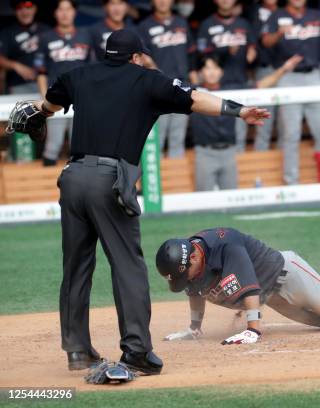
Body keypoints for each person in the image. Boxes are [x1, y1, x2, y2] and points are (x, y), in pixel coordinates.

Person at [21, 29, 270, 374]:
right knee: (128, 267)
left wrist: (43, 112)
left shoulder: (78, 74)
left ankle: (77, 350)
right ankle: (136, 351)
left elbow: (46, 105)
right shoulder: (147, 80)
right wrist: (239, 112)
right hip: (109, 181)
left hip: (72, 178)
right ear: (136, 57)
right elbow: (195, 98)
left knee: (76, 268)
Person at [156, 227, 320, 344]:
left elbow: (250, 287)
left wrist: (253, 330)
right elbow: (195, 291)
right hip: (275, 298)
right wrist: (194, 328)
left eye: (184, 273)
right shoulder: (190, 266)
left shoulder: (224, 244)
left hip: (290, 275)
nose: (186, 280)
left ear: (194, 256)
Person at [192, 54, 302, 191]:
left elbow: (260, 85)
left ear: (221, 71)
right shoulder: (194, 93)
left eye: (215, 67)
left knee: (231, 199)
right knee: (204, 201)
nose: (212, 72)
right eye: (207, 68)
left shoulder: (232, 89)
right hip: (204, 153)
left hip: (229, 152)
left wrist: (284, 69)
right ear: (200, 72)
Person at [262, 0, 320, 184]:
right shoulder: (277, 15)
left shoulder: (316, 15)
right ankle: (291, 181)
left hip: (313, 75)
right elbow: (265, 42)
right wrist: (279, 33)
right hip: (288, 76)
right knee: (291, 133)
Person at [34, 0, 91, 166]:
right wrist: (46, 99)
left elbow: (94, 68)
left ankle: (80, 187)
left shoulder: (86, 35)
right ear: (55, 13)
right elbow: (41, 71)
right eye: (61, 9)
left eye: (68, 9)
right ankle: (47, 187)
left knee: (81, 146)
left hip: (82, 98)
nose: (65, 13)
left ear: (75, 12)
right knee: (54, 144)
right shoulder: (45, 38)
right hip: (56, 98)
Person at [138, 0, 197, 158]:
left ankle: (175, 177)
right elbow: (140, 58)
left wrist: (193, 72)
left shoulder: (181, 22)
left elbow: (191, 52)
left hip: (182, 86)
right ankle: (154, 181)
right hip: (158, 88)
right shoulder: (144, 26)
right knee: (156, 138)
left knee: (178, 138)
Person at [197, 0, 257, 152]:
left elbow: (253, 48)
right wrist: (225, 52)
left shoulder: (243, 24)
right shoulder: (207, 25)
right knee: (216, 127)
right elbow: (201, 56)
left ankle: (238, 164)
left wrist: (252, 53)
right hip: (216, 85)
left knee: (240, 130)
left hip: (240, 81)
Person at [0, 0, 49, 95]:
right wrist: (16, 66)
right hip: (20, 86)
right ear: (15, 11)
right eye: (19, 8)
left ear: (34, 9)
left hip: (48, 83)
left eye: (28, 7)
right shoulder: (7, 33)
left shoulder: (47, 30)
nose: (24, 12)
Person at [251, 0, 279, 151]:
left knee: (287, 121)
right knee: (264, 118)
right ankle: (260, 154)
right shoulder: (253, 12)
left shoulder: (285, 12)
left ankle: (283, 153)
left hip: (286, 70)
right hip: (264, 69)